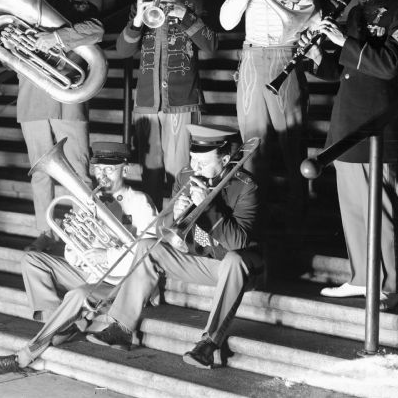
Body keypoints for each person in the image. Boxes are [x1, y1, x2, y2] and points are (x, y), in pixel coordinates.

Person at [299, 0, 398, 311]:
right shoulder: (356, 9)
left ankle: (388, 285)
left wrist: (344, 42)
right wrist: (314, 54)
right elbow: (341, 72)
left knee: (380, 208)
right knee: (353, 207)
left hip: (376, 122)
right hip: (347, 119)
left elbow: (388, 65)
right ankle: (361, 277)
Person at [85, 125, 264, 370]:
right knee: (147, 245)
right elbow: (165, 231)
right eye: (193, 159)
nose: (195, 167)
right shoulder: (186, 175)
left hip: (241, 267)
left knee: (233, 259)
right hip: (202, 259)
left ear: (224, 159)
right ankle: (121, 328)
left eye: (202, 161)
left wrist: (209, 208)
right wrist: (175, 217)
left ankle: (209, 344)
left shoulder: (246, 186)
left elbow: (238, 242)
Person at [0, 141, 157, 375]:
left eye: (110, 169)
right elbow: (72, 250)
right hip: (91, 272)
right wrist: (78, 252)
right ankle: (63, 326)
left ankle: (23, 357)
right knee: (32, 260)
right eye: (99, 169)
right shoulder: (91, 200)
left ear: (125, 170)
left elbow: (148, 253)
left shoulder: (140, 202)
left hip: (120, 283)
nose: (103, 175)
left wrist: (106, 255)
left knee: (77, 295)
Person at [219, 0, 335, 237]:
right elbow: (227, 21)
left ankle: (298, 219)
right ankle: (254, 222)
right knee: (250, 146)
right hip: (253, 59)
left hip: (287, 56)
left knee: (292, 144)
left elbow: (324, 13)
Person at [116, 0, 217, 210]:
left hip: (181, 101)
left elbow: (211, 45)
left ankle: (176, 232)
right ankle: (151, 230)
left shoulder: (193, 2)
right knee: (149, 172)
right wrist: (137, 20)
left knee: (180, 173)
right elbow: (123, 51)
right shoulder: (141, 4)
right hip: (148, 103)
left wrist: (185, 14)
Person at [18, 0, 105, 252]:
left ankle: (85, 233)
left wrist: (54, 38)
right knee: (40, 173)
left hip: (69, 100)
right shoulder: (24, 13)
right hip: (33, 102)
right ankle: (46, 232)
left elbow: (96, 31)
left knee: (79, 170)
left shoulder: (82, 10)